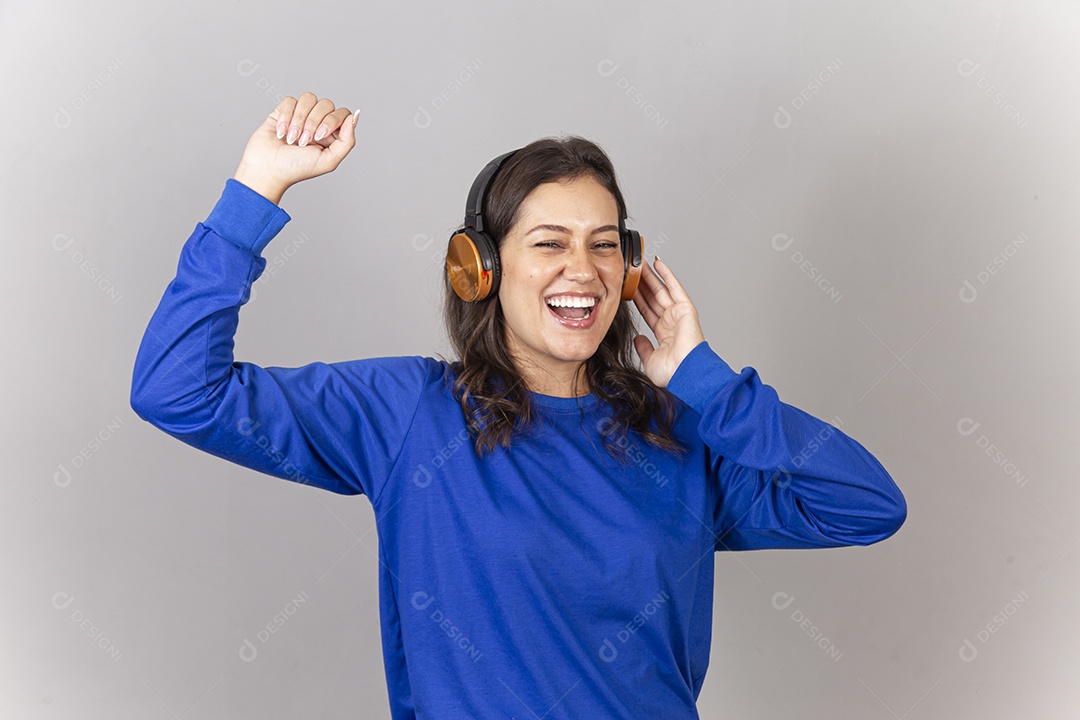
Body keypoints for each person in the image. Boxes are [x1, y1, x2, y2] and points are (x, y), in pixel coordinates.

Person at [130, 92, 906, 720]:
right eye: (549, 242)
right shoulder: (409, 415)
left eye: (606, 244)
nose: (585, 269)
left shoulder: (680, 435)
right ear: (481, 269)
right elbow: (176, 389)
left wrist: (705, 381)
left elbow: (865, 504)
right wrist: (254, 191)